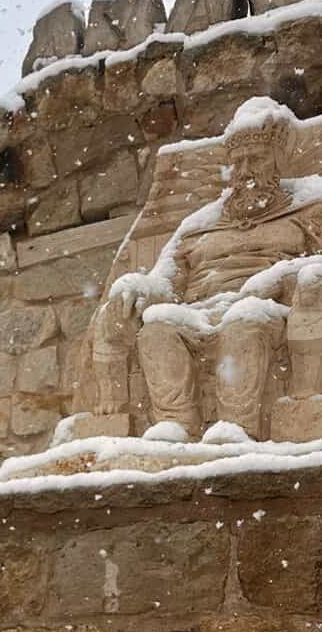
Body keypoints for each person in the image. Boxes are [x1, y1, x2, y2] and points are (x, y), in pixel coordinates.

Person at [90, 98, 322, 438]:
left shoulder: (309, 207)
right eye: (238, 162)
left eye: (255, 159)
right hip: (199, 312)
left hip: (267, 310)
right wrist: (138, 288)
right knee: (157, 326)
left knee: (244, 322)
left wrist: (276, 278)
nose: (244, 171)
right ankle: (176, 427)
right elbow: (166, 282)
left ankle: (237, 430)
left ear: (278, 160)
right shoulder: (199, 223)